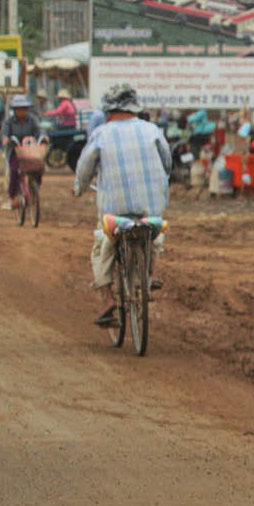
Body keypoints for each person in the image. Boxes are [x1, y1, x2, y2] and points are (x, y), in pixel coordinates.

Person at [74, 84, 172, 327]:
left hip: (114, 212)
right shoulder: (152, 130)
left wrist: (79, 188)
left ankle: (108, 300)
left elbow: (84, 170)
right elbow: (167, 163)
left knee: (102, 246)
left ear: (109, 111)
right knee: (154, 235)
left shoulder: (101, 134)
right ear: (135, 108)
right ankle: (148, 275)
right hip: (151, 208)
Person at [1, 95, 44, 210]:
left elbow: (39, 129)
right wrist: (6, 139)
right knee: (15, 171)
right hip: (15, 149)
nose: (23, 111)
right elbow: (4, 134)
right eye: (20, 108)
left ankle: (35, 189)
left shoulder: (32, 119)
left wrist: (43, 137)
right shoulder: (8, 121)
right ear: (14, 110)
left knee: (39, 167)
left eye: (25, 108)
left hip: (31, 149)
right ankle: (13, 197)